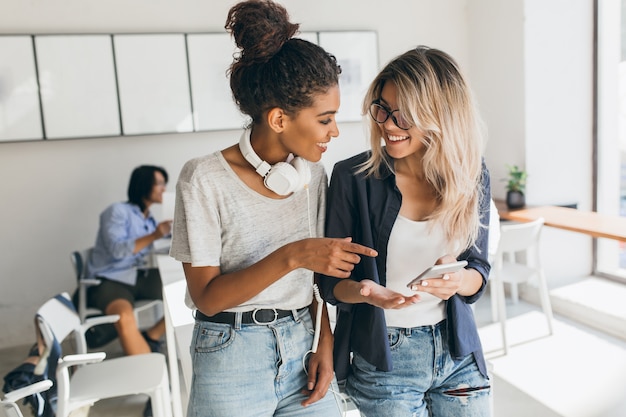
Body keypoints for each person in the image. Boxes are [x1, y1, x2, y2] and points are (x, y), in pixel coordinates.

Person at [169, 1, 378, 416]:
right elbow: (207, 298)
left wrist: (325, 342)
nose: (335, 132)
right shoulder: (204, 179)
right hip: (230, 355)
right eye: (325, 120)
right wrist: (294, 254)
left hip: (303, 342)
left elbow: (316, 282)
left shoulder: (310, 177)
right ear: (280, 119)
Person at [318, 46, 493, 417]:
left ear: (440, 115)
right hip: (386, 361)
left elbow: (479, 270)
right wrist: (366, 293)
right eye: (381, 109)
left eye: (405, 117)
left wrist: (458, 280)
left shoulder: (471, 175)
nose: (388, 125)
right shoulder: (353, 178)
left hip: (458, 353)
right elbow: (330, 285)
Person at [87, 165, 171, 356]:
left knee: (188, 291)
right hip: (109, 280)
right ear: (143, 185)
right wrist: (155, 235)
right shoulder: (117, 211)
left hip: (137, 276)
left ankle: (152, 336)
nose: (164, 189)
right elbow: (118, 250)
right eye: (158, 183)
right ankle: (149, 377)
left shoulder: (149, 220)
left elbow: (151, 245)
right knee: (124, 317)